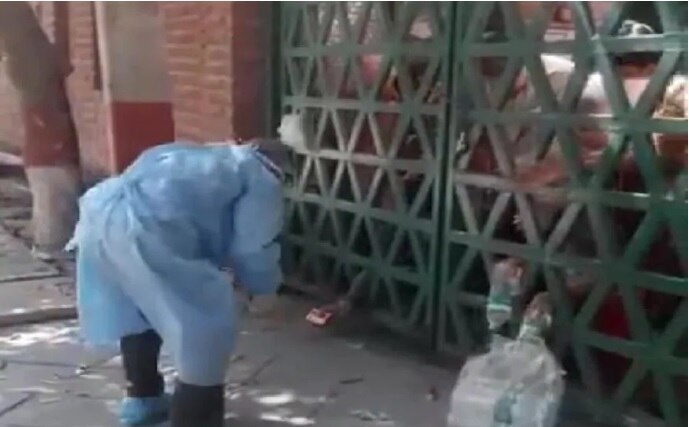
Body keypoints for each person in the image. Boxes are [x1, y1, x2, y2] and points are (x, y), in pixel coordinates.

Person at [67, 138, 293, 426]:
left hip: (100, 218)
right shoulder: (261, 177)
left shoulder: (196, 153)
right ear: (279, 166)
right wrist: (264, 288)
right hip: (150, 230)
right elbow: (253, 246)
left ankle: (143, 399)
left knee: (138, 312)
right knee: (204, 327)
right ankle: (196, 418)